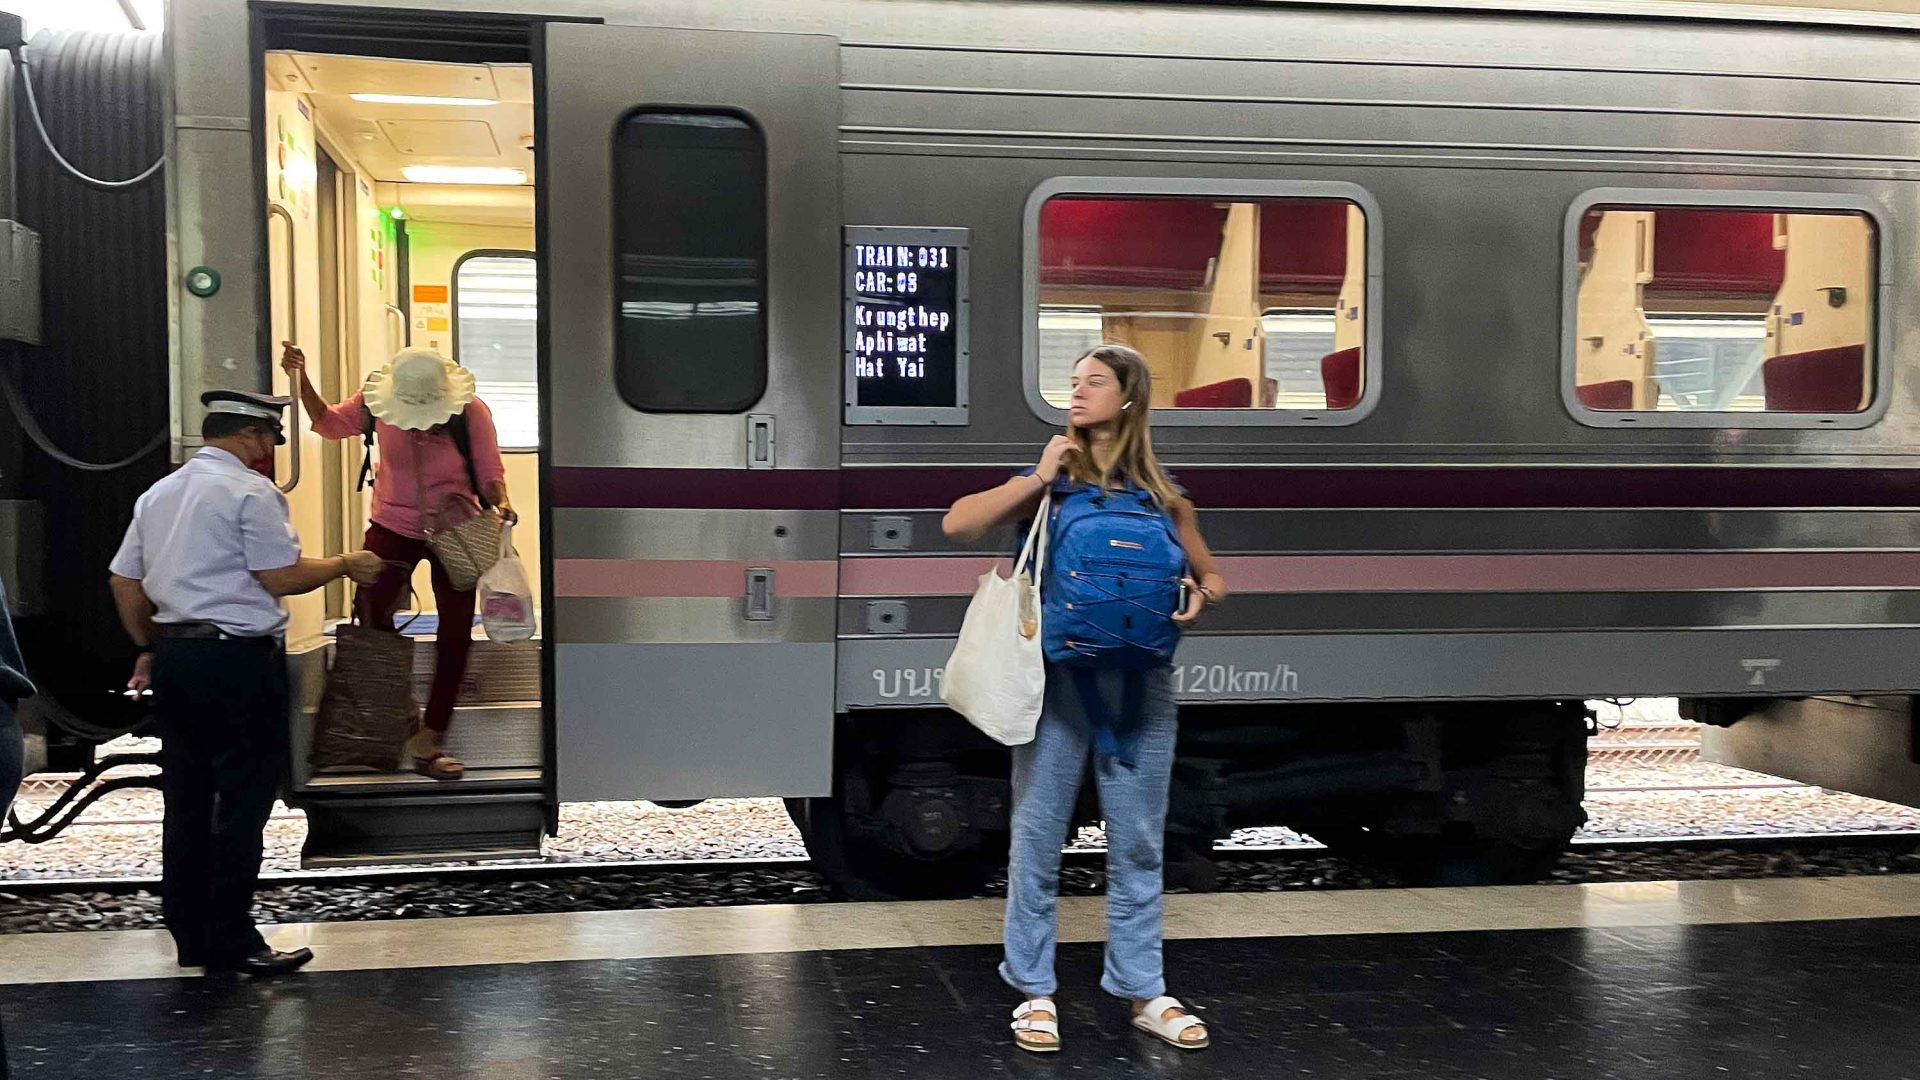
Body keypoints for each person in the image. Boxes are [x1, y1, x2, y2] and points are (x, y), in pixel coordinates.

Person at [942, 344, 1228, 1053]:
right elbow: (959, 524)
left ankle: (1143, 989)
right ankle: (1034, 992)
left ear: (1129, 397)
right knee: (1037, 840)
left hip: (1142, 690)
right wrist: (1040, 474)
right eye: (1073, 382)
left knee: (1137, 844)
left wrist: (1200, 593)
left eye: (1093, 383)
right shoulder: (1052, 481)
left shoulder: (1163, 491)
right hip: (1056, 686)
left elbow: (1213, 574)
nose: (1076, 393)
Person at [108, 389, 384, 976]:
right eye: (268, 441)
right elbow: (278, 576)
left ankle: (191, 934)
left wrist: (147, 647)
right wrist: (343, 563)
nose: (269, 453)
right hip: (237, 663)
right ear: (251, 437)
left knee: (185, 801)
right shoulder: (250, 493)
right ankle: (234, 936)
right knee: (241, 802)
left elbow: (123, 582)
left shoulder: (159, 493)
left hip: (178, 660)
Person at [283, 343, 515, 781]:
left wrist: (501, 504)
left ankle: (432, 737)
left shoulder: (471, 412)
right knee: (371, 616)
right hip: (391, 524)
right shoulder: (376, 403)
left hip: (456, 525)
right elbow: (328, 424)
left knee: (455, 631)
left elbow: (489, 472)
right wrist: (301, 378)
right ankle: (403, 710)